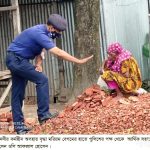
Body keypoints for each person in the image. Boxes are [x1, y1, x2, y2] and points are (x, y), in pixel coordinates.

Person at [6, 14, 93, 134]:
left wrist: (38, 64)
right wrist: (78, 61)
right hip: (16, 60)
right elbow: (58, 52)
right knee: (42, 80)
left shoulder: (45, 33)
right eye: (57, 31)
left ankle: (19, 127)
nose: (58, 34)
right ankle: (44, 116)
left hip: (17, 60)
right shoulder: (39, 33)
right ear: (51, 27)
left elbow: (41, 51)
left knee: (18, 94)